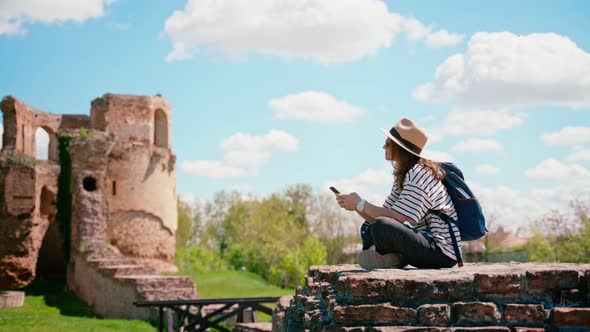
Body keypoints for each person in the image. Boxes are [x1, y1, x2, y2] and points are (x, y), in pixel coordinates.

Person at [336, 118, 459, 269]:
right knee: (369, 226)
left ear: (399, 147)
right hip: (426, 244)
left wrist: (361, 203)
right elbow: (378, 215)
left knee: (381, 225)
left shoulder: (418, 173)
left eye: (387, 143)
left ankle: (387, 257)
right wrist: (355, 206)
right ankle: (391, 258)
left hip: (442, 252)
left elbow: (397, 218)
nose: (383, 147)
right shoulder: (405, 175)